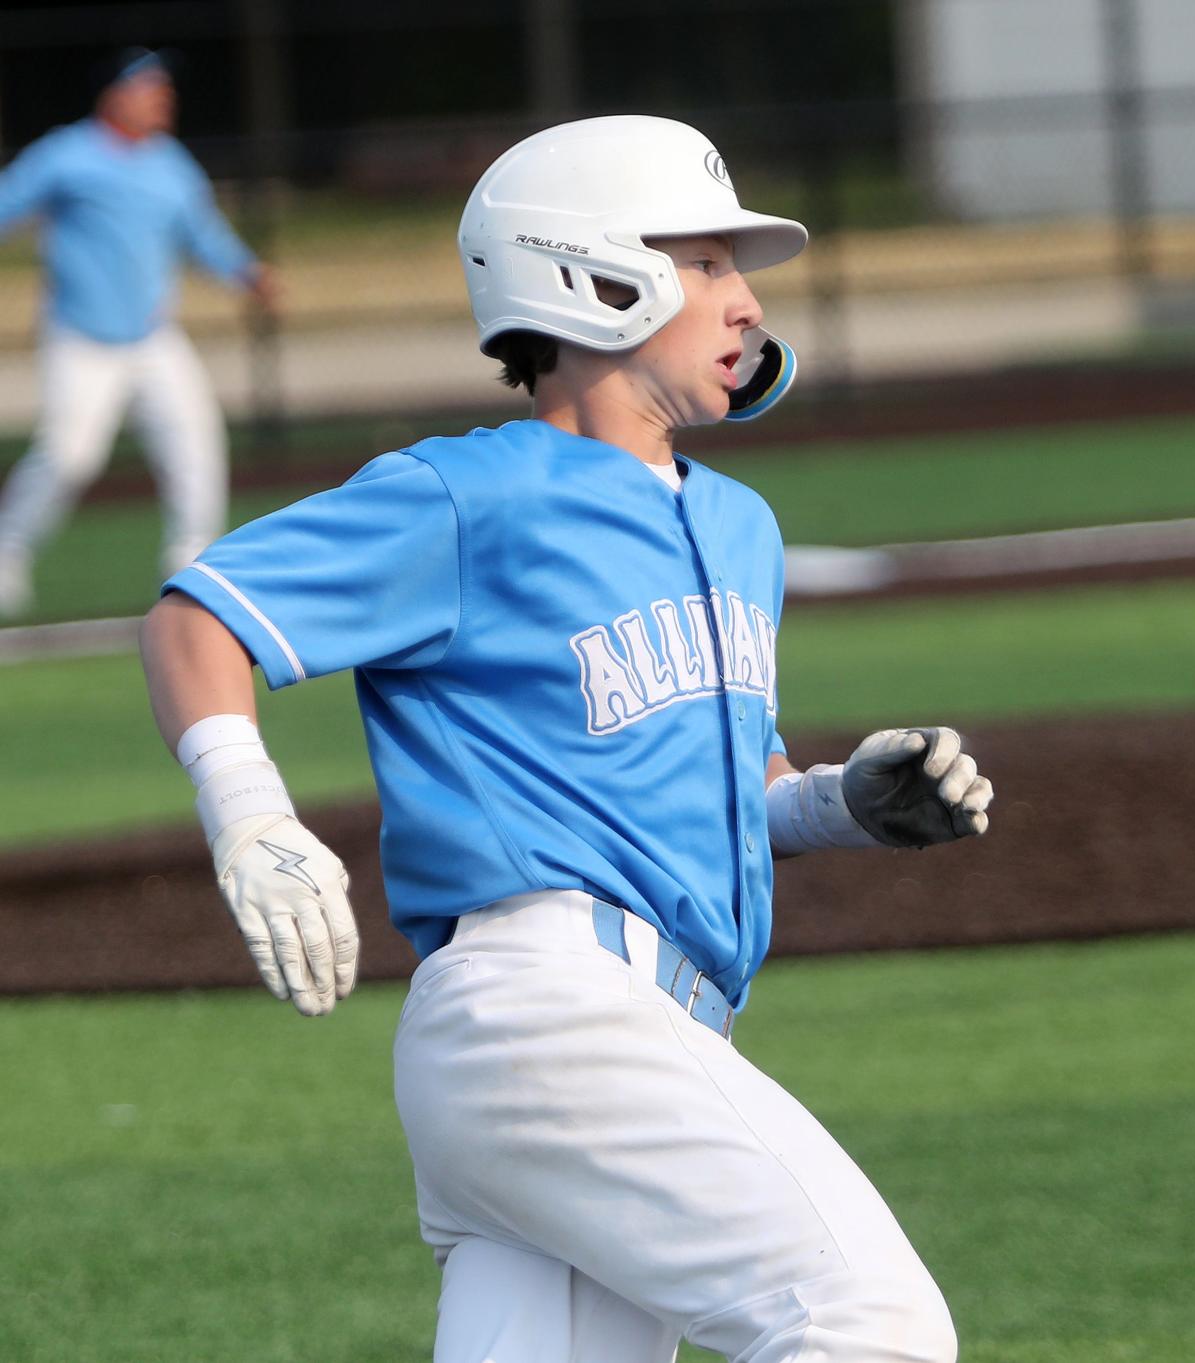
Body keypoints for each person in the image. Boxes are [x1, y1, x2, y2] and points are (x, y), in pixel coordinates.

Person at [140, 116, 994, 1363]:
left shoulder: (742, 524)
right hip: (551, 1009)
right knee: (869, 1322)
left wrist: (832, 804)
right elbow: (197, 616)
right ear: (587, 273)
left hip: (620, 1034)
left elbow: (709, 781)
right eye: (705, 264)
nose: (746, 300)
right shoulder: (465, 494)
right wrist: (250, 813)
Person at [0, 46, 276, 619]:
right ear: (115, 96)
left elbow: (201, 232)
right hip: (81, 338)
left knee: (195, 441)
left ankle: (192, 566)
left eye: (164, 89)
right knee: (69, 455)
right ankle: (7, 552)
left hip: (153, 338)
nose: (162, 98)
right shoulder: (67, 154)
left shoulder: (169, 164)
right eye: (149, 87)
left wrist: (245, 271)